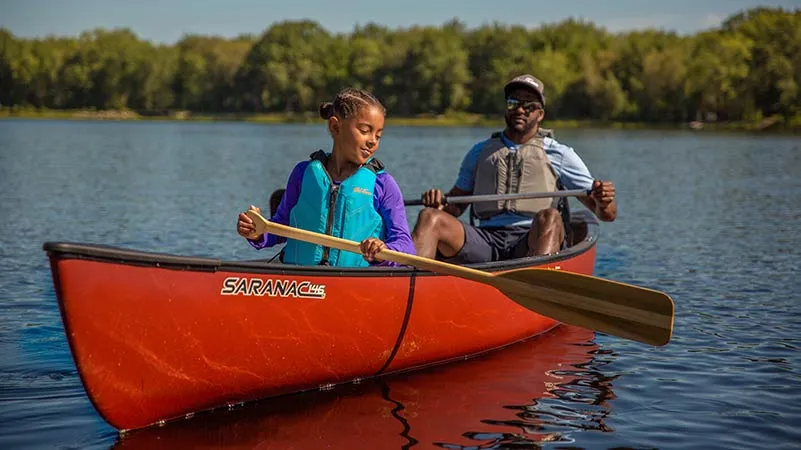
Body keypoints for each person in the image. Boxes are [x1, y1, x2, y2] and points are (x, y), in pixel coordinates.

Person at [412, 74, 617, 263]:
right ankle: (409, 285)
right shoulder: (480, 152)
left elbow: (607, 214)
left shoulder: (560, 154)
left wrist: (603, 201)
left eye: (528, 106)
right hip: (485, 241)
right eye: (513, 103)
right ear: (506, 109)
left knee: (551, 217)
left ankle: (537, 283)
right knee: (430, 217)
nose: (519, 110)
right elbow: (455, 207)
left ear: (541, 114)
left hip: (530, 240)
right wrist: (438, 204)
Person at [236, 88, 415, 267]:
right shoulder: (302, 173)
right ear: (335, 127)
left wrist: (383, 251)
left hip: (356, 283)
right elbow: (281, 226)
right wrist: (258, 232)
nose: (372, 141)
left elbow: (406, 246)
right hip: (300, 280)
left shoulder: (383, 184)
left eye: (378, 135)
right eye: (364, 130)